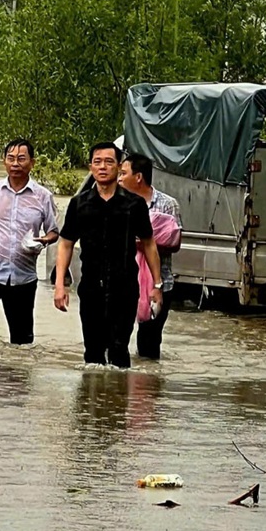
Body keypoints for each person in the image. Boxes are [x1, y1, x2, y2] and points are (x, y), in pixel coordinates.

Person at [54, 142, 163, 368]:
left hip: (124, 289)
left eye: (109, 162)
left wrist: (157, 285)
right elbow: (65, 243)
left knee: (119, 350)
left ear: (118, 166)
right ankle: (90, 400)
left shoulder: (134, 205)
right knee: (92, 353)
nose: (103, 167)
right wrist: (59, 285)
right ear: (90, 166)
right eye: (97, 162)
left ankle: (116, 400)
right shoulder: (79, 204)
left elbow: (149, 244)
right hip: (91, 287)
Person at [0, 139, 59, 344]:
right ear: (4, 162)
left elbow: (54, 231)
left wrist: (43, 240)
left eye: (21, 159)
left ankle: (17, 375)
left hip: (24, 277)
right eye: (11, 159)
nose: (15, 164)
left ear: (32, 163)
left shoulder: (43, 196)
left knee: (22, 340)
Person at [118, 153, 182, 359]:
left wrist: (148, 243)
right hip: (124, 281)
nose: (118, 179)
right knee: (117, 338)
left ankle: (148, 387)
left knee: (149, 342)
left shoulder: (167, 204)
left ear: (138, 177)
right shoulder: (117, 202)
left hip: (159, 284)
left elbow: (175, 243)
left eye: (123, 173)